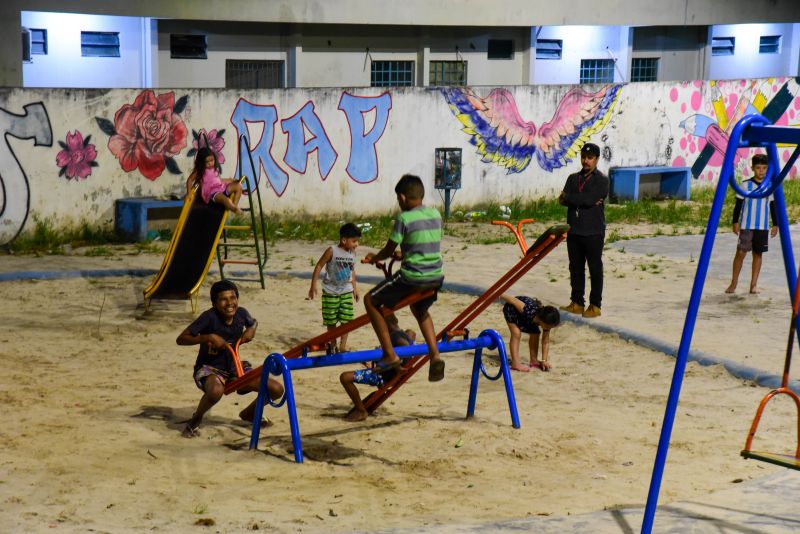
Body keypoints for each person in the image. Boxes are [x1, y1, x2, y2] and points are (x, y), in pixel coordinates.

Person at [364, 174, 446, 382]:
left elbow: (389, 248)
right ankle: (435, 355)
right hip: (436, 276)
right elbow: (423, 244)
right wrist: (405, 254)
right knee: (420, 309)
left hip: (413, 277)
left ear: (401, 198)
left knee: (370, 300)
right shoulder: (435, 215)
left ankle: (390, 354)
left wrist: (376, 258)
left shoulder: (403, 218)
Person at [176, 280, 283, 438]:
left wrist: (251, 330)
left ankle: (250, 413)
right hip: (210, 368)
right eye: (223, 299)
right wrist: (208, 337)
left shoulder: (241, 314)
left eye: (233, 298)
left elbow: (253, 323)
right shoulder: (209, 317)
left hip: (234, 367)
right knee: (216, 391)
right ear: (214, 303)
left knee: (276, 389)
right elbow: (181, 339)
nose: (229, 303)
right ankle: (195, 420)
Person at [559, 142, 609, 319]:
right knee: (576, 268)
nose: (586, 161)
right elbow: (562, 199)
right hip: (574, 230)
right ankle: (577, 302)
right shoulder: (573, 178)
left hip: (593, 231)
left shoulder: (602, 180)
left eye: (590, 158)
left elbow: (590, 199)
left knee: (595, 268)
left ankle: (595, 305)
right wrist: (581, 200)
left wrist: (574, 199)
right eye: (584, 157)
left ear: (596, 159)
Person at [339, 313, 416, 422]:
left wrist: (379, 367)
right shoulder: (406, 334)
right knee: (410, 332)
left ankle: (361, 410)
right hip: (394, 373)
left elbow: (403, 344)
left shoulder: (393, 337)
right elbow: (411, 335)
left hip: (383, 376)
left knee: (345, 377)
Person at [725, 154, 778, 294]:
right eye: (758, 168)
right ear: (753, 168)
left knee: (758, 255)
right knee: (741, 253)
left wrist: (775, 224)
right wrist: (735, 222)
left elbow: (773, 206)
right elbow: (738, 205)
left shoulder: (770, 186)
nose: (761, 171)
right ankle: (733, 283)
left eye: (764, 168)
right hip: (747, 225)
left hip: (762, 226)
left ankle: (753, 285)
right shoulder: (745, 184)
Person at [308, 223, 362, 352]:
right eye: (354, 241)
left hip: (346, 291)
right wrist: (313, 286)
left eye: (357, 241)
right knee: (331, 320)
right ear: (344, 240)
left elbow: (352, 270)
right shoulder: (332, 251)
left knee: (347, 320)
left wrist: (355, 288)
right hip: (330, 292)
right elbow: (319, 266)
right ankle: (333, 344)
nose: (357, 244)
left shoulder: (352, 254)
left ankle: (342, 346)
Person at [500, 294, 561, 372]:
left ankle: (534, 361)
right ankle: (515, 363)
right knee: (516, 333)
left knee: (535, 333)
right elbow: (513, 300)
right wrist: (498, 294)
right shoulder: (527, 310)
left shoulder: (546, 323)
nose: (549, 329)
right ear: (542, 321)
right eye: (548, 326)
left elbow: (545, 342)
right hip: (511, 309)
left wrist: (544, 360)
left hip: (529, 318)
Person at [186, 146, 244, 215]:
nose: (210, 163)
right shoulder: (200, 170)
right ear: (201, 162)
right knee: (226, 200)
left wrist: (231, 180)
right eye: (207, 162)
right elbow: (190, 180)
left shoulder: (214, 169)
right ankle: (234, 208)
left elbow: (218, 180)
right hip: (213, 192)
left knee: (238, 186)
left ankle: (234, 206)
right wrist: (189, 193)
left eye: (212, 160)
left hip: (222, 188)